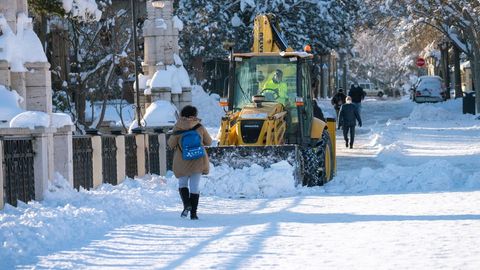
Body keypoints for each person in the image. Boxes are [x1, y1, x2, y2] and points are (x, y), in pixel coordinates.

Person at [167, 105, 212, 220]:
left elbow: (171, 144)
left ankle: (187, 204)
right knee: (194, 187)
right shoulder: (199, 127)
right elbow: (209, 141)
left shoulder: (178, 127)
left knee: (182, 184)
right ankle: (194, 214)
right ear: (194, 115)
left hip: (182, 160)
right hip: (198, 160)